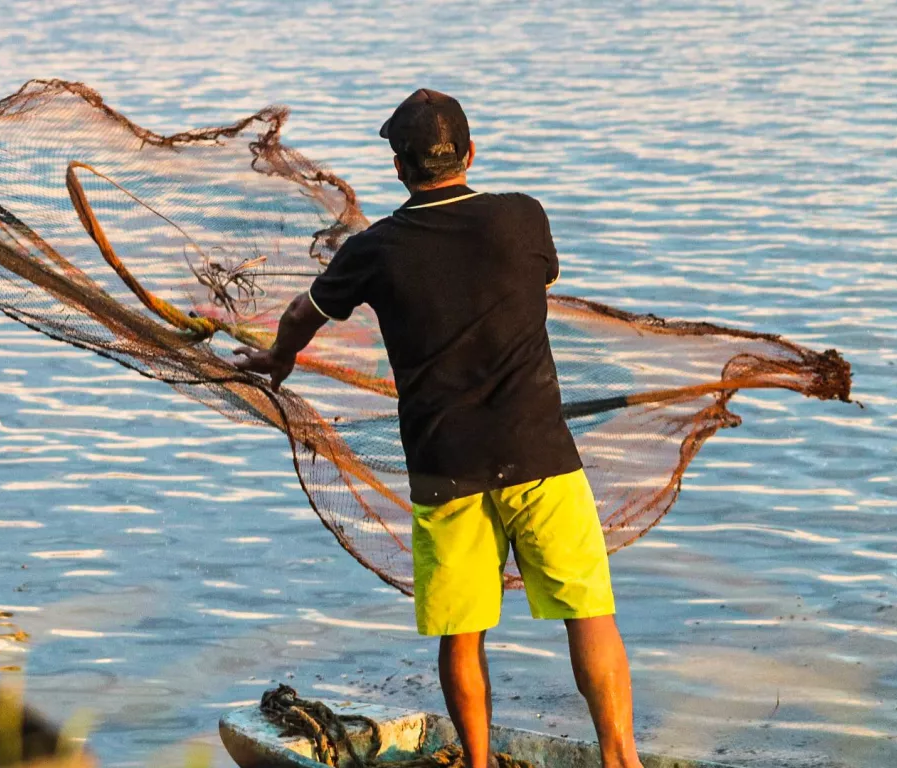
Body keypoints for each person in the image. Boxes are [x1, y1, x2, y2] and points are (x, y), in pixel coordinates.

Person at [234, 89, 643, 768]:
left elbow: (304, 317)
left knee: (461, 631)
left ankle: (478, 764)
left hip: (445, 465)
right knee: (588, 613)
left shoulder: (374, 250)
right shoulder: (521, 218)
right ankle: (620, 759)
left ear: (399, 169)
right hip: (540, 453)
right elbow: (537, 280)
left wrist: (279, 359)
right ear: (470, 153)